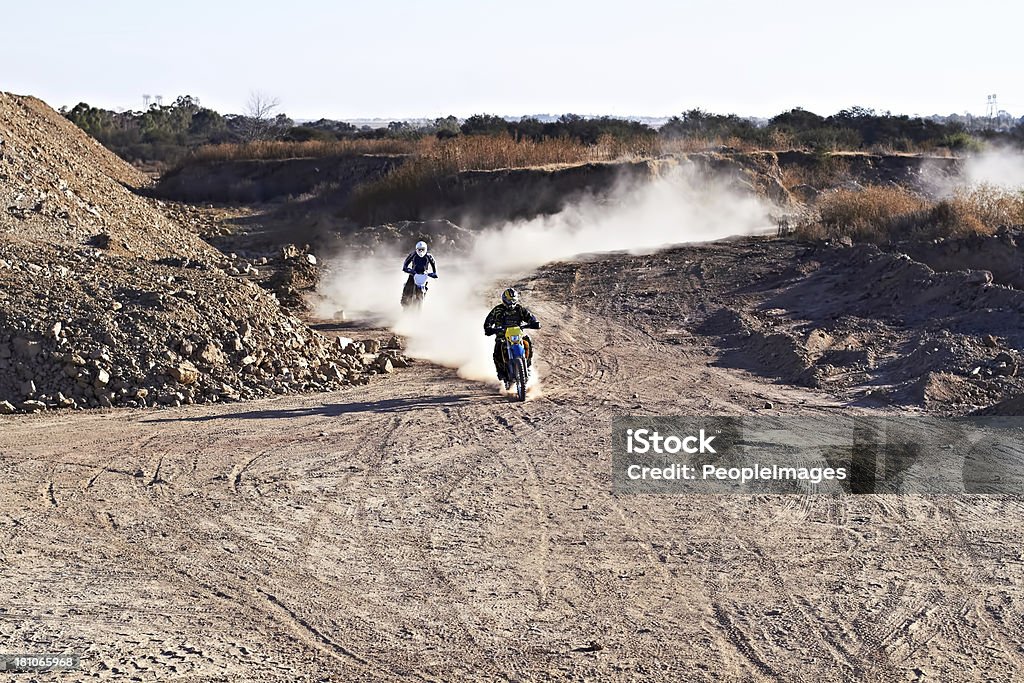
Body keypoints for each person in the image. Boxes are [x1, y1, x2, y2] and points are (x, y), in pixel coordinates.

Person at [483, 287, 541, 382]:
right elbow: (488, 320)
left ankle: (527, 365)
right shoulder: (497, 310)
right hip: (502, 336)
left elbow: (530, 317)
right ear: (504, 300)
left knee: (527, 343)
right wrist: (489, 328)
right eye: (509, 300)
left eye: (513, 300)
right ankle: (501, 371)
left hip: (518, 335)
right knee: (498, 349)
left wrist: (534, 322)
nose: (511, 303)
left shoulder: (520, 309)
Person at [401, 241, 438, 305]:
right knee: (407, 289)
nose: (421, 251)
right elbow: (405, 264)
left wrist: (434, 273)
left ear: (425, 249)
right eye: (419, 249)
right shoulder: (413, 254)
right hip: (413, 274)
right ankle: (404, 300)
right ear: (416, 249)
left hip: (424, 275)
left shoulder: (429, 256)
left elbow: (434, 266)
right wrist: (407, 269)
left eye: (422, 249)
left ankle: (423, 297)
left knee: (425, 288)